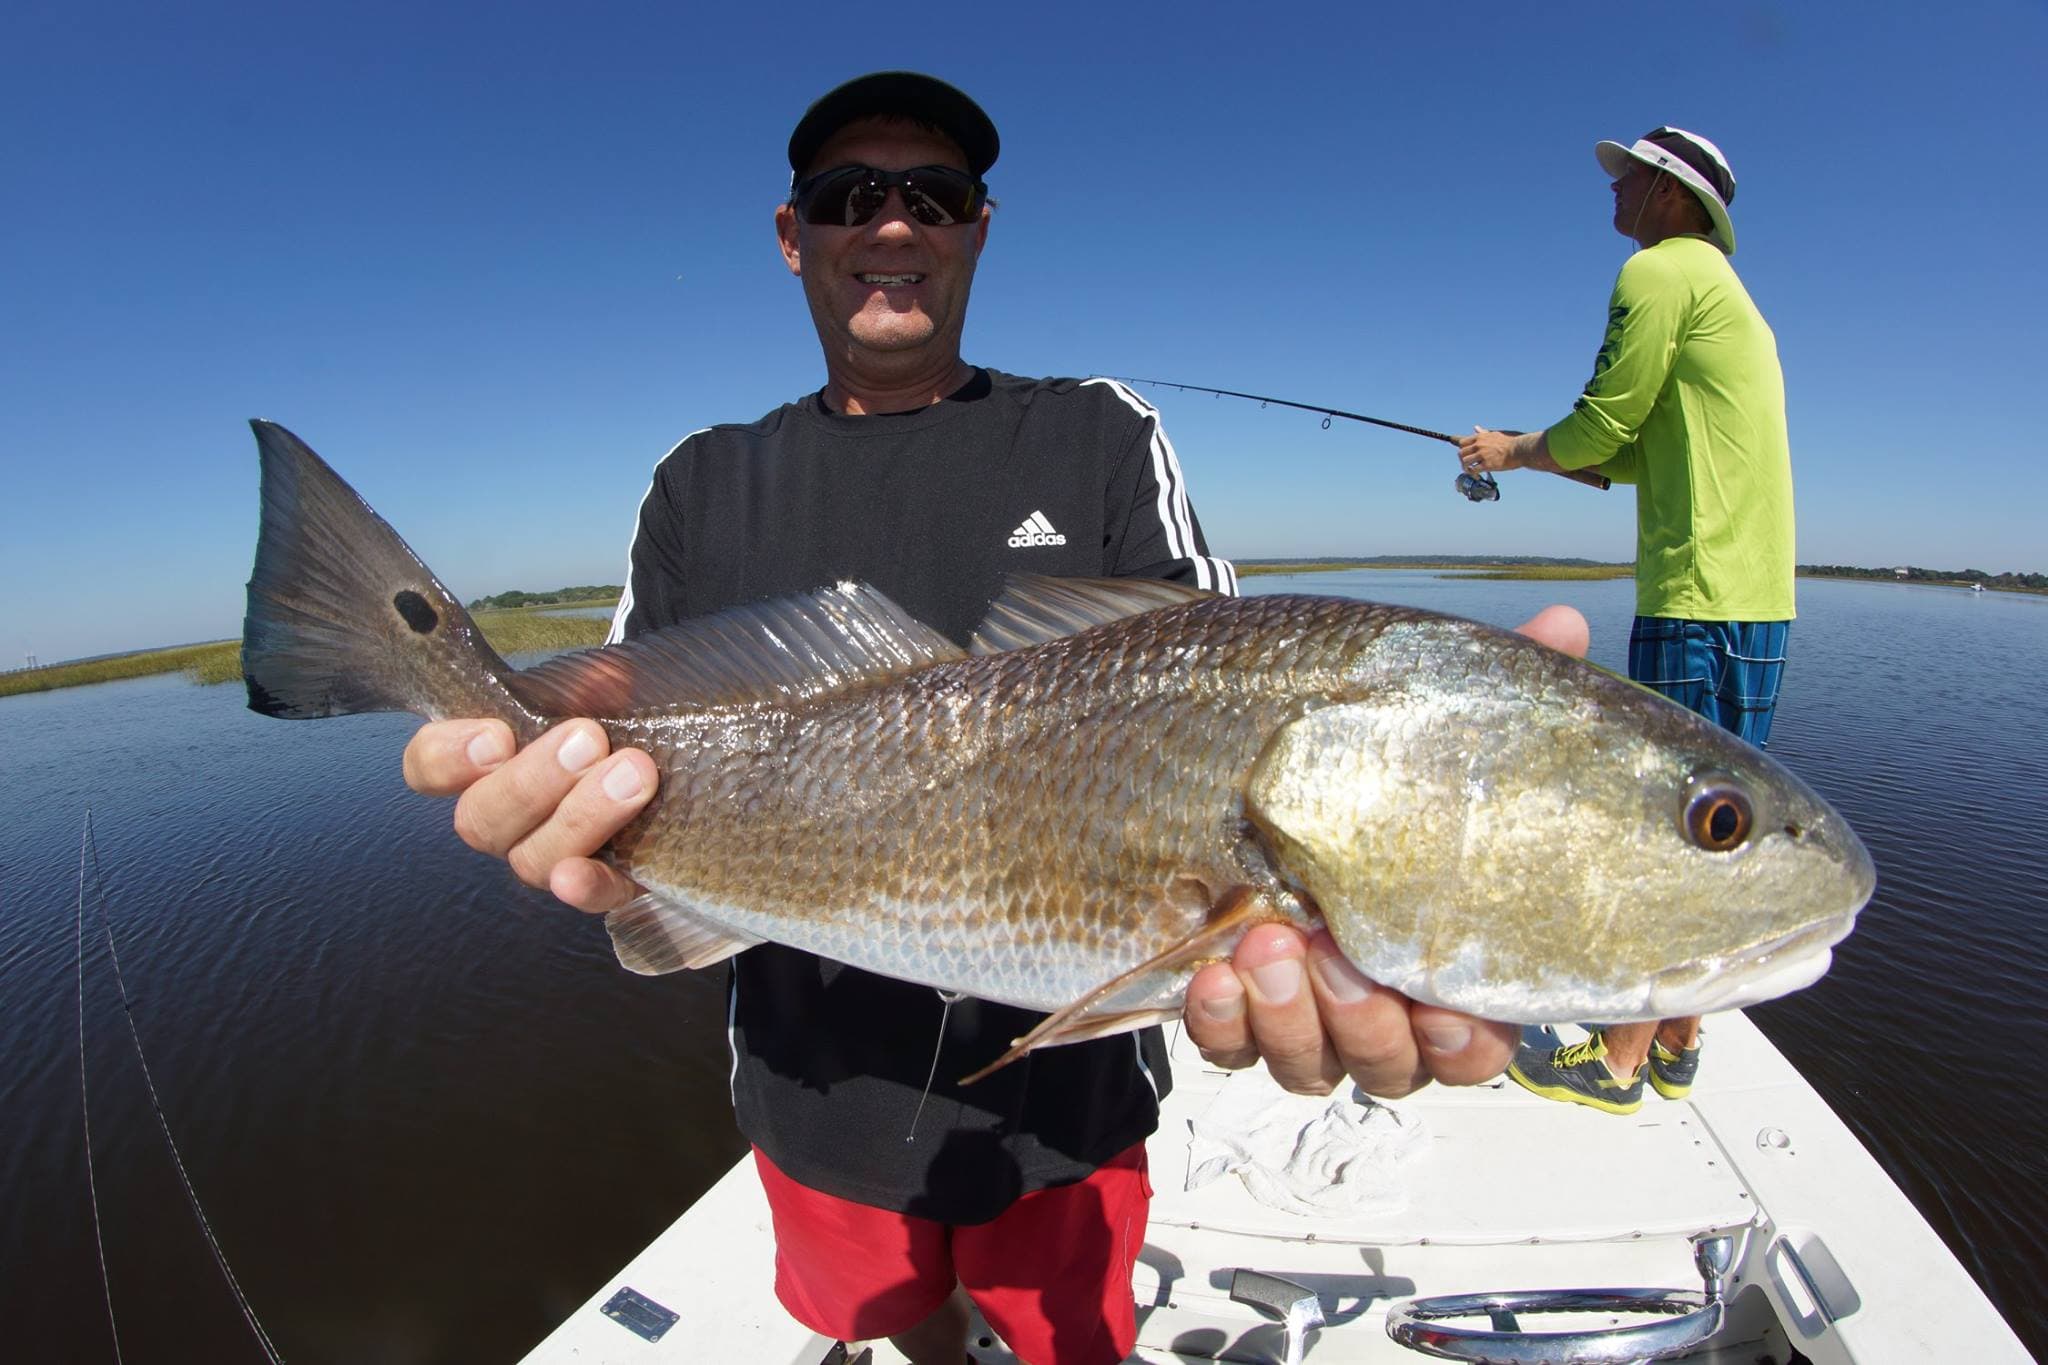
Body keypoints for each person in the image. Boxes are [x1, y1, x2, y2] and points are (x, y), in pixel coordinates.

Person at [402, 72, 1571, 1364]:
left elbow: (1216, 681)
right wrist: (548, 791)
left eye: (935, 197)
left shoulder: (1099, 435)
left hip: (1067, 1109)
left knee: (1068, 1335)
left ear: (978, 228)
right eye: (851, 197)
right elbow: (613, 735)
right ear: (795, 236)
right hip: (811, 1090)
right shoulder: (701, 481)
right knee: (895, 1321)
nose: (892, 226)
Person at [1456, 126, 1795, 1117]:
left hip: (1695, 598)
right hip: (1754, 602)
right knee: (1713, 828)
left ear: (1673, 199)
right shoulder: (1729, 298)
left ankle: (1612, 1066)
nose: (1617, 191)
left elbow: (1601, 423)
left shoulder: (1655, 274)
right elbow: (1634, 459)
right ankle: (1679, 1043)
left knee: (1659, 833)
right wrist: (1525, 452)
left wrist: (1509, 450)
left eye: (1634, 179)